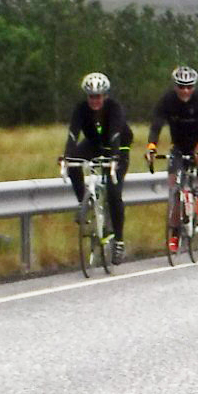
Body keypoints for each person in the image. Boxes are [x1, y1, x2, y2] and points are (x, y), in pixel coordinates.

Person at [63, 72, 133, 264]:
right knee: (72, 162)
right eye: (91, 97)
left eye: (98, 96)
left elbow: (115, 134)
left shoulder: (114, 108)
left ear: (105, 95)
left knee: (113, 191)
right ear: (87, 97)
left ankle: (118, 240)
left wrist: (114, 157)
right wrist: (67, 156)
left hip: (118, 145)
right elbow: (72, 135)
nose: (95, 101)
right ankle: (83, 204)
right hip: (94, 143)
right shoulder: (81, 109)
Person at [147, 65, 198, 252]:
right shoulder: (167, 101)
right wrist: (151, 146)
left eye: (189, 87)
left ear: (194, 87)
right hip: (178, 146)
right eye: (181, 86)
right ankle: (175, 233)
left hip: (197, 142)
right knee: (174, 190)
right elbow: (156, 125)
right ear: (175, 86)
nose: (185, 91)